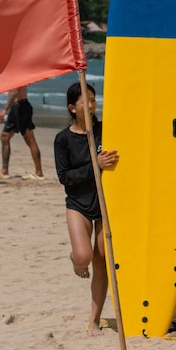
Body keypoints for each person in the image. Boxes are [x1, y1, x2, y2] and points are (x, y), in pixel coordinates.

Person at [54, 81, 119, 335]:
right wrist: (95, 164)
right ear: (72, 108)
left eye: (93, 99)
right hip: (78, 205)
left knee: (103, 257)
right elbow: (65, 177)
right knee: (84, 257)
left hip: (104, 205)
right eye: (85, 101)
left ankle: (94, 319)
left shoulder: (105, 131)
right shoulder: (63, 139)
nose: (92, 105)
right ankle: (74, 259)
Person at [0, 85, 43, 180]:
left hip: (21, 107)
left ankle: (38, 173)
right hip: (16, 107)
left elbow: (14, 91)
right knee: (4, 137)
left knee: (30, 140)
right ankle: (4, 171)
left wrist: (5, 110)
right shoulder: (11, 72)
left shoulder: (15, 71)